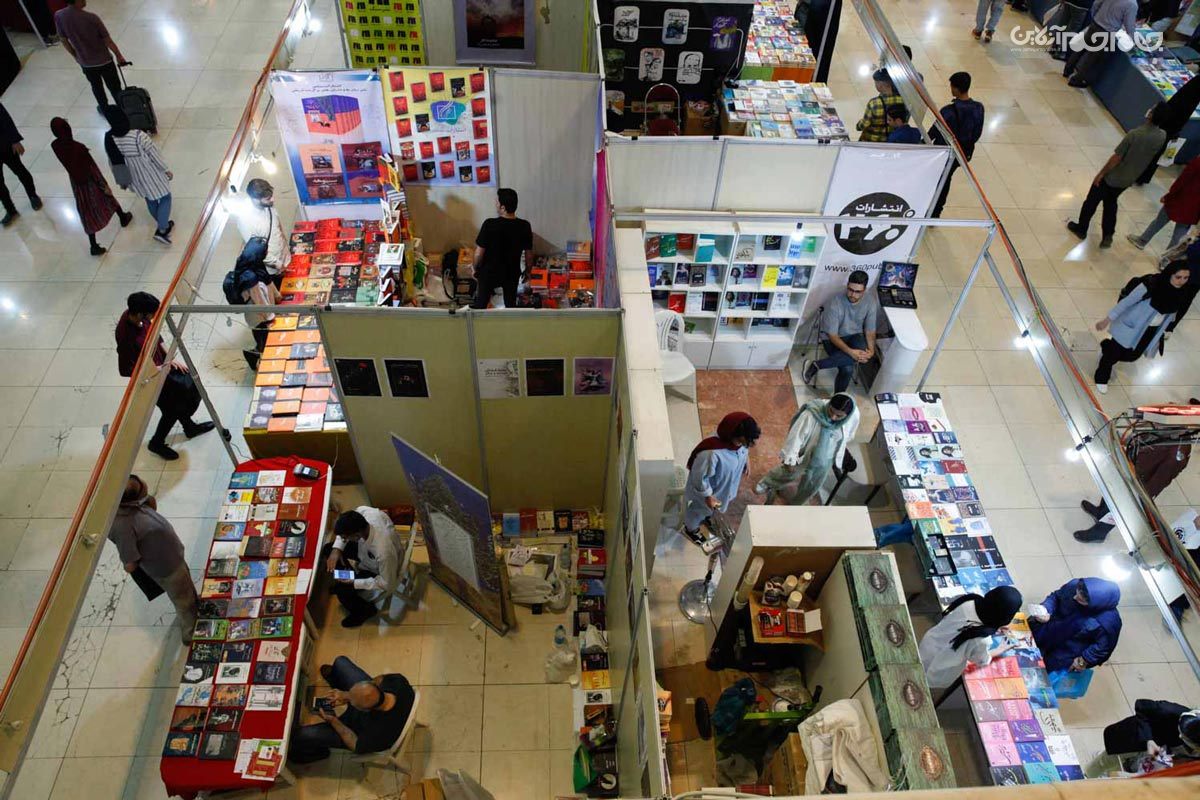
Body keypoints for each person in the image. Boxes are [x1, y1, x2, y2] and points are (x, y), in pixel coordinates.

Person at [115, 292, 216, 460]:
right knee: (171, 410)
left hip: (163, 368)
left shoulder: (141, 318)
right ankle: (157, 442)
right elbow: (126, 369)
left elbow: (155, 335)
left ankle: (189, 426)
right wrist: (156, 369)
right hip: (152, 379)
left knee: (185, 391)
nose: (153, 317)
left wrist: (169, 357)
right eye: (151, 314)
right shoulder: (125, 336)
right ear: (140, 313)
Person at [109, 474, 198, 645]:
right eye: (142, 485)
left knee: (186, 589)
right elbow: (130, 563)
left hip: (174, 556)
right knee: (183, 602)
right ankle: (190, 632)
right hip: (167, 569)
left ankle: (195, 604)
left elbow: (152, 507)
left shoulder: (138, 504)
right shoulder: (122, 526)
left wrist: (146, 498)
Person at [1067, 102, 1167, 248]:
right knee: (1110, 203)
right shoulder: (1162, 136)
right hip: (1129, 178)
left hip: (1113, 176)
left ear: (1151, 115)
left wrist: (1101, 174)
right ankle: (1108, 234)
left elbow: (1116, 158)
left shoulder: (1134, 135)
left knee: (1091, 202)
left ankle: (1081, 229)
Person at [289, 656, 415, 764]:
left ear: (364, 710)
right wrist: (347, 695)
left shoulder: (378, 733)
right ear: (375, 687)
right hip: (370, 703)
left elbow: (354, 744)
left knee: (300, 735)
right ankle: (335, 680)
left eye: (353, 702)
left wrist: (333, 720)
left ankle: (318, 753)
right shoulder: (397, 682)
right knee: (340, 661)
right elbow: (379, 679)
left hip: (356, 729)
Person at [1092, 262, 1190, 392]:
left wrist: (1166, 329)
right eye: (1178, 277)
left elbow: (1173, 313)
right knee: (1113, 354)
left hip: (1151, 330)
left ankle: (1106, 347)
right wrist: (1107, 319)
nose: (1182, 281)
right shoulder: (1151, 284)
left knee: (1133, 356)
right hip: (1131, 326)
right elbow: (1127, 302)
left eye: (1186, 278)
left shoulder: (1182, 292)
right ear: (1169, 274)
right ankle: (1101, 377)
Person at [1075, 436, 1192, 544]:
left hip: (1139, 483)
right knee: (1111, 489)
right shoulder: (1169, 430)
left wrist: (1141, 495)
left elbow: (1161, 479)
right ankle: (1101, 512)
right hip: (1130, 467)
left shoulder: (1178, 453)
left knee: (1121, 506)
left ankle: (1099, 533)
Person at [754, 393, 859, 506]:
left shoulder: (854, 416)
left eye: (839, 416)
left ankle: (797, 503)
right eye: (831, 411)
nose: (833, 417)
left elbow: (849, 435)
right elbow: (796, 437)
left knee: (813, 484)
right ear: (829, 404)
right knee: (789, 473)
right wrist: (790, 460)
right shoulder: (812, 413)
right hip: (807, 451)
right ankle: (768, 482)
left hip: (826, 457)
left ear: (847, 415)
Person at [50, 117, 133, 255]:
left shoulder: (55, 146)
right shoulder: (79, 148)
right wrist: (104, 184)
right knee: (107, 198)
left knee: (86, 211)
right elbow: (93, 169)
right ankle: (122, 217)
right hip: (90, 181)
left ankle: (93, 245)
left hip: (77, 184)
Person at [918, 586, 1023, 690]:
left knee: (918, 663)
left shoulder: (969, 601)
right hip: (940, 668)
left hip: (929, 645)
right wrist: (1000, 649)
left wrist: (994, 626)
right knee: (922, 683)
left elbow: (970, 622)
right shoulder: (981, 640)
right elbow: (982, 661)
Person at [683, 412, 760, 545]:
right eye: (741, 442)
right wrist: (707, 496)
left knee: (711, 510)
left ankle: (707, 516)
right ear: (732, 435)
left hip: (724, 487)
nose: (744, 445)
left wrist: (745, 460)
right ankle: (690, 528)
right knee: (699, 510)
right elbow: (699, 477)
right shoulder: (711, 453)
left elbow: (743, 450)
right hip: (710, 492)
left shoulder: (738, 444)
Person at [321, 508, 402, 628]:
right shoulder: (366, 513)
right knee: (329, 548)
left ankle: (364, 611)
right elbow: (353, 516)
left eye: (345, 537)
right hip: (364, 551)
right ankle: (347, 575)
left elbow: (387, 583)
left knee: (342, 591)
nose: (344, 539)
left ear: (356, 535)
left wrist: (355, 582)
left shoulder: (383, 552)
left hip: (379, 569)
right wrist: (336, 550)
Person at [104, 106, 174, 244]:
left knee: (150, 199)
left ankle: (163, 222)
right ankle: (162, 229)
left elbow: (112, 162)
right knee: (165, 197)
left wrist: (122, 180)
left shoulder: (110, 139)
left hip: (134, 178)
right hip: (150, 174)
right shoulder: (138, 136)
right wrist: (166, 169)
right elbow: (154, 155)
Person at [803, 270, 878, 394]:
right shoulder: (835, 302)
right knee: (847, 369)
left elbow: (870, 330)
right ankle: (838, 397)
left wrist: (871, 351)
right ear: (847, 285)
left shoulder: (870, 302)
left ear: (864, 290)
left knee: (863, 352)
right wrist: (851, 353)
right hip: (832, 338)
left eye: (858, 292)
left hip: (854, 335)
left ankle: (817, 365)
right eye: (850, 290)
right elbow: (832, 335)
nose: (852, 294)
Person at [1028, 577, 1122, 673]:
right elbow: (1056, 597)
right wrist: (1046, 608)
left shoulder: (1108, 622)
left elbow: (1103, 648)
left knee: (1043, 671)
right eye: (1077, 592)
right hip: (1051, 627)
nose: (1075, 597)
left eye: (1081, 600)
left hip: (1068, 649)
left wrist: (1084, 660)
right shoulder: (1074, 585)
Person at [55, 0, 129, 113]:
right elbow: (108, 41)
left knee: (96, 87)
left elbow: (63, 40)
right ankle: (122, 109)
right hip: (105, 61)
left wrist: (76, 56)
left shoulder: (59, 16)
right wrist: (119, 56)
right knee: (114, 87)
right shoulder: (92, 18)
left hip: (86, 64)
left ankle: (104, 109)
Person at [929, 72, 985, 218]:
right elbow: (977, 133)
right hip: (962, 154)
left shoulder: (948, 111)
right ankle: (936, 212)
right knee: (946, 178)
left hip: (944, 153)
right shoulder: (978, 108)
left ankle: (931, 208)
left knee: (940, 179)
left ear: (955, 88)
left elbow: (934, 132)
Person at [469, 188, 533, 309]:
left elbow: (478, 253)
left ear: (503, 207)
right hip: (511, 273)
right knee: (510, 306)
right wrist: (528, 272)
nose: (495, 204)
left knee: (481, 304)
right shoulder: (524, 226)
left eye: (497, 202)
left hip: (489, 273)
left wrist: (475, 268)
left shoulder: (489, 224)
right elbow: (529, 255)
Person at [1138, 73, 1200, 184]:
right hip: (1175, 125)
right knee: (1158, 152)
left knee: (1153, 150)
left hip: (1169, 123)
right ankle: (1144, 177)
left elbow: (1175, 104)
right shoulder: (1192, 98)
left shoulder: (1192, 87)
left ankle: (1141, 175)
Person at [1063, 0, 1141, 88]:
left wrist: (1095, 17)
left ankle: (1067, 70)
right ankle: (1077, 79)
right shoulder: (1132, 4)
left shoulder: (1131, 4)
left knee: (1081, 48)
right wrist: (1135, 39)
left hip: (1096, 24)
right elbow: (1129, 25)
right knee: (1092, 58)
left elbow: (1096, 4)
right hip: (1107, 31)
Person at [1128, 156, 1200, 251]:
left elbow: (1182, 180)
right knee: (1180, 232)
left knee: (1159, 221)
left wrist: (1169, 195)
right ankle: (1169, 256)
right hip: (1195, 208)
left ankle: (1142, 241)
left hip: (1180, 199)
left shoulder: (1198, 161)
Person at [234, 178, 288, 287]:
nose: (273, 199)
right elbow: (256, 251)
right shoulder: (246, 221)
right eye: (268, 198)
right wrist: (277, 264)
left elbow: (278, 227)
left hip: (284, 257)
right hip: (273, 268)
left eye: (271, 196)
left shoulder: (268, 206)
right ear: (255, 199)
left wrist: (286, 247)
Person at [1105, 701, 1200, 759]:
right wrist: (1149, 740)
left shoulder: (1194, 736)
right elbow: (1140, 705)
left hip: (1155, 751)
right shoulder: (1167, 709)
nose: (1180, 736)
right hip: (1135, 736)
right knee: (1108, 759)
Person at [0, 102, 42, 227]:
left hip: (4, 145)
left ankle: (33, 196)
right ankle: (10, 210)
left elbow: (5, 118)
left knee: (20, 171)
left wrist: (15, 140)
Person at [796, 0, 842, 84]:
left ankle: (812, 83)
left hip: (820, 11)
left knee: (816, 55)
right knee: (799, 47)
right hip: (805, 9)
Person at [856, 69, 903, 143]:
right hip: (888, 141)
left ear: (880, 85)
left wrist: (858, 125)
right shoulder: (901, 100)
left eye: (876, 83)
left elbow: (865, 124)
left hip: (870, 140)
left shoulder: (874, 103)